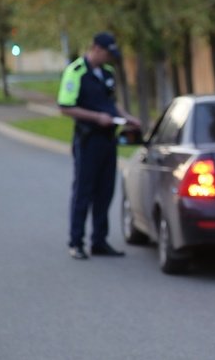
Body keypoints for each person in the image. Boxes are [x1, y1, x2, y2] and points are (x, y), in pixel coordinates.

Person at [57, 32, 141, 260]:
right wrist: (96, 117)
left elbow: (111, 104)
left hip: (108, 139)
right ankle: (76, 242)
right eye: (106, 53)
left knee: (105, 191)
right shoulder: (76, 72)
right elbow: (65, 106)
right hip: (88, 139)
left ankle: (99, 241)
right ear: (95, 48)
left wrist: (127, 117)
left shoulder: (107, 73)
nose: (109, 58)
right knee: (83, 191)